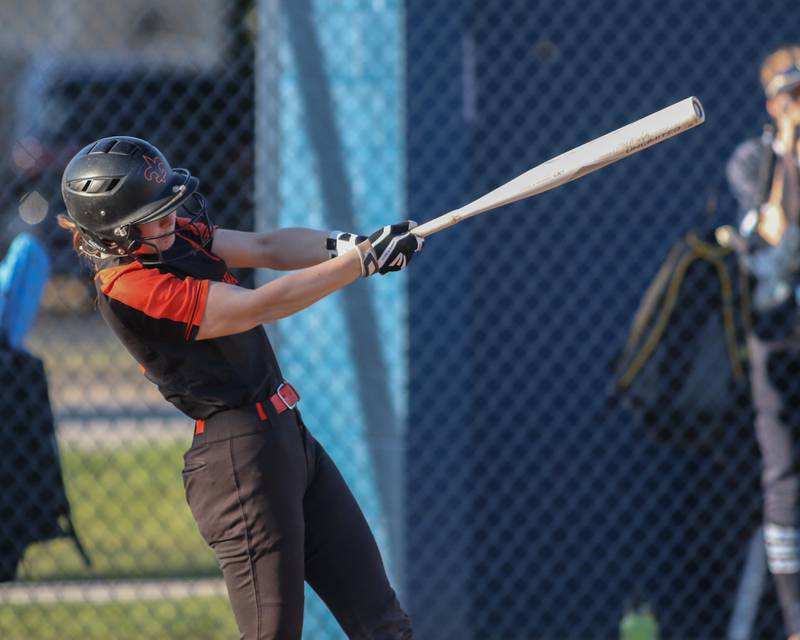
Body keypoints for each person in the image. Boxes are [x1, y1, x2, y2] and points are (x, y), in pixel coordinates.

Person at [58, 135, 421, 640]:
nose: (171, 221)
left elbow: (266, 247)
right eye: (155, 216)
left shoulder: (167, 236)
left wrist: (349, 244)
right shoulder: (131, 289)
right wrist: (359, 265)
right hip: (238, 462)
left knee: (383, 623)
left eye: (169, 209)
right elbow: (255, 306)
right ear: (116, 234)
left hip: (287, 439)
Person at [727, 45, 800, 640]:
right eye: (789, 96)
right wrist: (788, 149)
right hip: (776, 339)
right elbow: (771, 229)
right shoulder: (753, 160)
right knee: (783, 474)